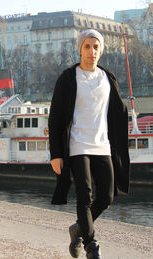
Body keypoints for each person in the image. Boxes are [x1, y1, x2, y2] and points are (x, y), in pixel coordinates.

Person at [48, 29, 130, 259]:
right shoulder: (68, 78)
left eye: (96, 47)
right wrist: (56, 154)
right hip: (77, 145)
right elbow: (55, 117)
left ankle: (78, 230)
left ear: (101, 50)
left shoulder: (107, 78)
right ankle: (91, 246)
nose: (91, 51)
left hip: (102, 145)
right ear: (80, 49)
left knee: (106, 197)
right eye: (87, 46)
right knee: (84, 196)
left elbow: (116, 110)